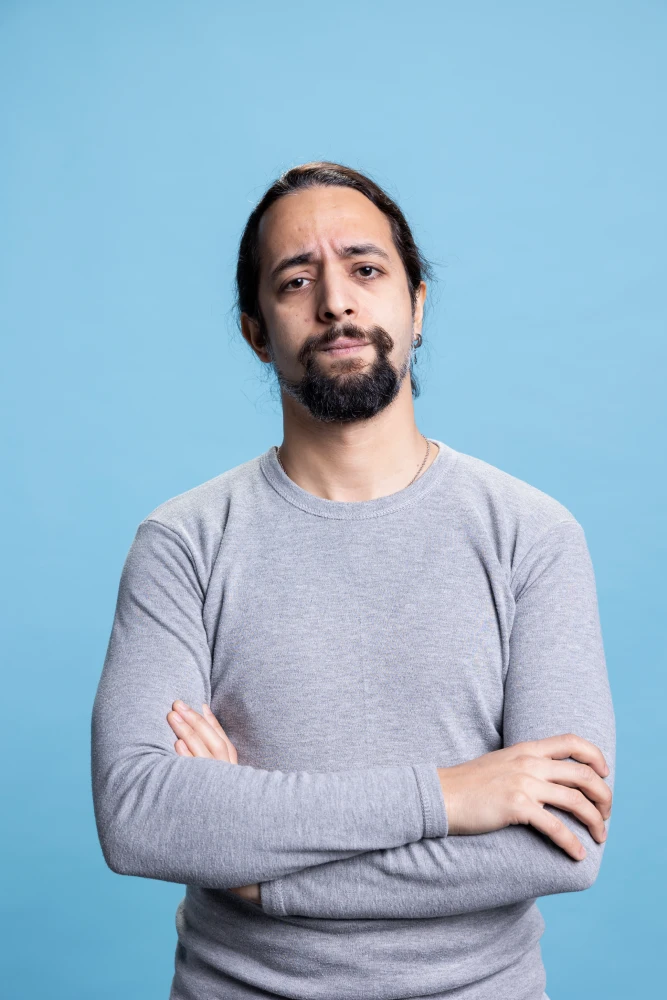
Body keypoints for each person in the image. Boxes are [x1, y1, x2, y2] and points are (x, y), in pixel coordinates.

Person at [91, 161, 615, 1000]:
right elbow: (141, 817)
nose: (335, 301)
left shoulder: (532, 535)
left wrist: (261, 875)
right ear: (255, 331)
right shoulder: (182, 544)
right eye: (296, 281)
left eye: (365, 270)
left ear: (416, 305)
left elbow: (562, 843)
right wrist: (446, 797)